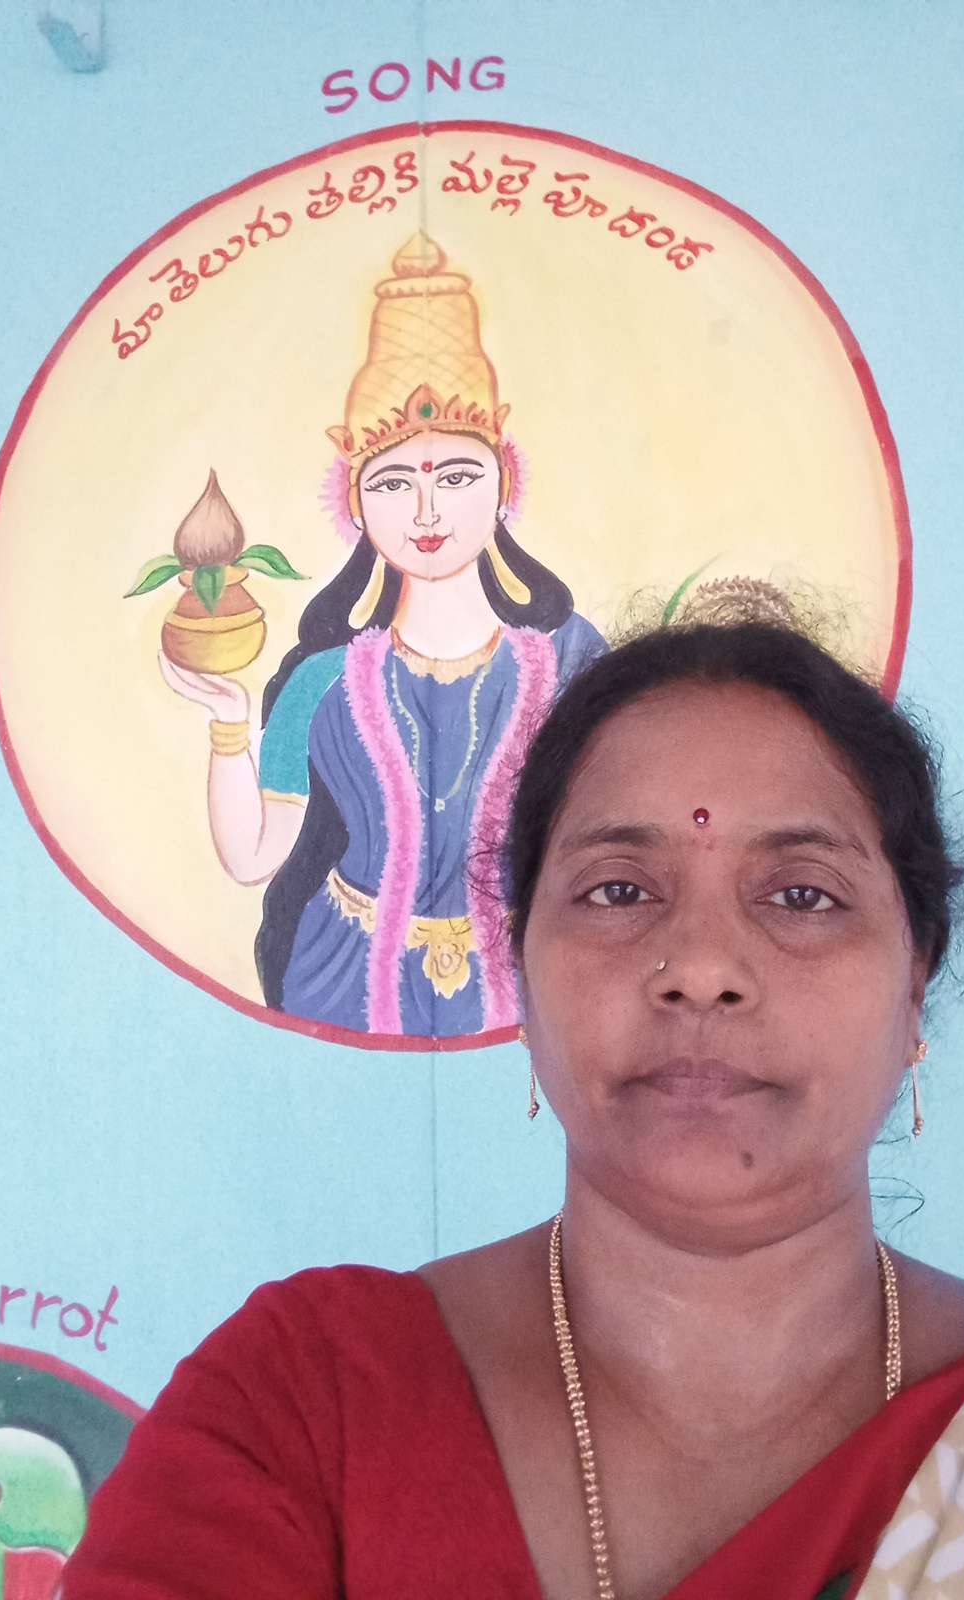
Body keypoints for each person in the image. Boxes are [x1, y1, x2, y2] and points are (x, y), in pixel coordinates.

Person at [64, 621, 964, 1599]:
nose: (702, 968)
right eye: (619, 890)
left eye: (801, 894)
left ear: (914, 987)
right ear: (522, 976)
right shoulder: (304, 1408)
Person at [161, 231, 604, 1039]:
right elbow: (252, 858)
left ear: (504, 482)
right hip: (342, 974)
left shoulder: (572, 662)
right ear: (356, 504)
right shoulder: (320, 681)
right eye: (394, 483)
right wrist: (229, 725)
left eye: (458, 476)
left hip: (536, 979)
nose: (427, 512)